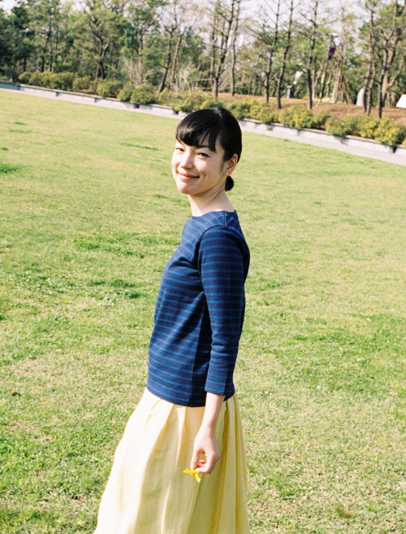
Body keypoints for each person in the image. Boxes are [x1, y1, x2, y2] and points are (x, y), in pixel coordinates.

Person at [94, 107, 250, 534]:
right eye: (181, 149)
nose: (186, 162)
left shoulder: (217, 237)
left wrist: (208, 428)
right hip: (169, 395)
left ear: (229, 164)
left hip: (188, 409)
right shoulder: (203, 221)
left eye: (203, 154)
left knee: (145, 519)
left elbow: (225, 338)